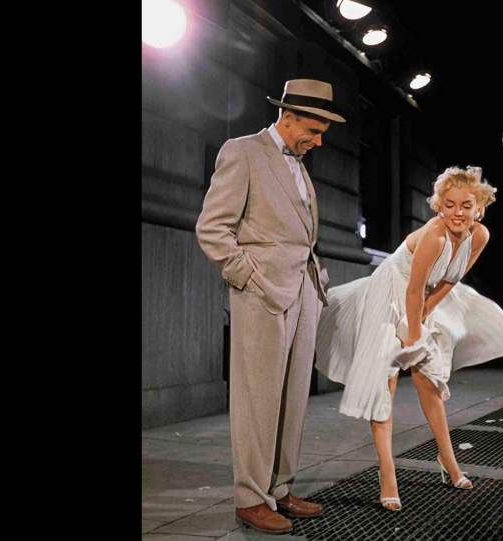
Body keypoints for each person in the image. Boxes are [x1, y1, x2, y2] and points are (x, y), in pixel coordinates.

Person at [315, 165, 503, 511]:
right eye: (450, 205)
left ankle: (449, 461)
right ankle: (387, 475)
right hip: (390, 294)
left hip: (423, 298)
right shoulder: (435, 235)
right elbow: (411, 290)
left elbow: (449, 281)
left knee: (429, 380)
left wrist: (425, 319)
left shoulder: (480, 236)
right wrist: (413, 336)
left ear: (479, 208)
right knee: (387, 383)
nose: (457, 212)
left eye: (465, 205)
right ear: (439, 206)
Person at [196, 79, 344, 534]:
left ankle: (279, 489)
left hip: (302, 291)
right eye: (314, 129)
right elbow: (212, 228)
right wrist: (249, 278)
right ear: (288, 116)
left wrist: (314, 276)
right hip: (262, 294)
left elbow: (298, 231)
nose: (318, 141)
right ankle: (250, 499)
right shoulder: (242, 151)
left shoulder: (299, 164)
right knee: (257, 400)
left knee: (293, 398)